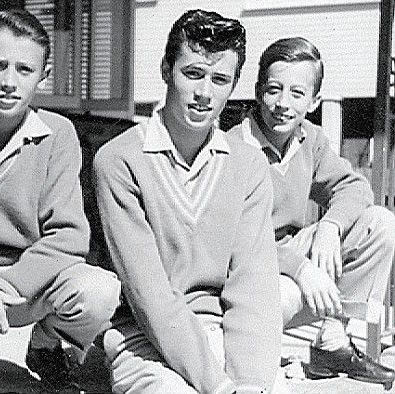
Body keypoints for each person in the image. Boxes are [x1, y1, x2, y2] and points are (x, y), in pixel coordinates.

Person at [0, 9, 120, 394]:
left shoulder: (58, 134)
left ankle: (47, 345)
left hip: (22, 287)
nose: (9, 82)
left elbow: (68, 237)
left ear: (43, 77)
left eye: (24, 70)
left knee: (99, 289)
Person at [93, 9, 282, 394]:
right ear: (166, 69)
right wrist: (217, 385)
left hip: (226, 335)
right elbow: (151, 296)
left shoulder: (248, 165)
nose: (204, 93)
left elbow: (254, 286)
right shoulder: (119, 160)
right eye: (192, 73)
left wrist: (249, 383)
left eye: (220, 79)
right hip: (144, 339)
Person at [229, 36, 395, 387]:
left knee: (380, 223)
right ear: (258, 92)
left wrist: (330, 227)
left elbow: (354, 187)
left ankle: (333, 341)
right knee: (279, 297)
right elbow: (235, 242)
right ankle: (254, 362)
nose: (282, 104)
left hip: (292, 265)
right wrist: (301, 267)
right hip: (247, 274)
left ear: (315, 100)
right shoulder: (232, 148)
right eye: (274, 90)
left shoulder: (310, 139)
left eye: (297, 93)